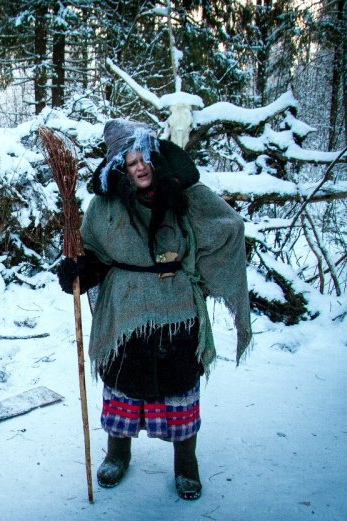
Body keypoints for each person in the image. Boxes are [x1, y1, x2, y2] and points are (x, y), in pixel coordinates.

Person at [57, 119, 252, 500]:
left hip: (176, 308)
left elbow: (228, 226)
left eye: (143, 158)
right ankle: (117, 452)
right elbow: (95, 254)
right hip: (125, 310)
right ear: (120, 168)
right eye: (131, 162)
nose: (140, 167)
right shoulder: (104, 206)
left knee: (180, 381)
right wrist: (79, 271)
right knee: (122, 379)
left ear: (155, 158)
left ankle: (186, 462)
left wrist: (202, 270)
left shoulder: (185, 195)